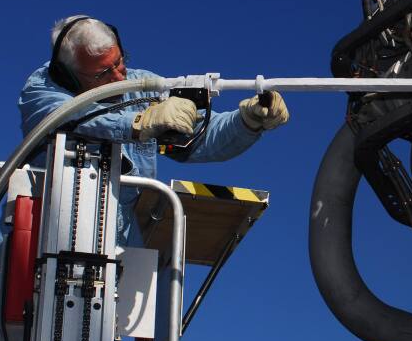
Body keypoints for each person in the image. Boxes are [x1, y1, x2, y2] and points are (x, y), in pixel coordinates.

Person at [18, 14, 289, 244]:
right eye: (103, 73)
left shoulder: (142, 86)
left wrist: (247, 121)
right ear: (69, 75)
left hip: (120, 243)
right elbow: (70, 116)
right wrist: (139, 123)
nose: (118, 77)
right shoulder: (41, 91)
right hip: (43, 240)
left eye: (119, 62)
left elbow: (199, 135)